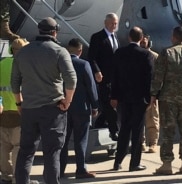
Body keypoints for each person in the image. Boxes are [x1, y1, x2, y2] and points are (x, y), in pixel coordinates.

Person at [11, 17, 77, 184]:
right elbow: (71, 79)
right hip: (53, 109)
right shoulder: (59, 51)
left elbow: (14, 82)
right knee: (52, 152)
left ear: (39, 31)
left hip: (29, 109)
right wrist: (67, 101)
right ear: (55, 32)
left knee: (26, 151)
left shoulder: (23, 52)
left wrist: (19, 103)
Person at [150, 26, 182, 175]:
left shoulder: (166, 53)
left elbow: (158, 77)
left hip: (168, 99)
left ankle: (167, 165)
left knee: (168, 131)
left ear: (173, 37)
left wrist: (153, 95)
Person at [111, 26, 153, 172]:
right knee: (137, 132)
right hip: (139, 99)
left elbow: (114, 76)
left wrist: (114, 96)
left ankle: (117, 162)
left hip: (123, 98)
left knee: (124, 129)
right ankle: (134, 163)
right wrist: (149, 99)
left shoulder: (119, 53)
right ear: (141, 39)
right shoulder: (146, 55)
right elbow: (149, 78)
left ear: (129, 37)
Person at [60, 38, 99, 179]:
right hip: (81, 108)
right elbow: (91, 86)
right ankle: (81, 169)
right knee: (81, 139)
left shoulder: (60, 63)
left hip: (63, 107)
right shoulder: (84, 64)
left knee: (62, 140)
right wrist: (95, 105)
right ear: (80, 51)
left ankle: (59, 170)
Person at [0, 38, 33, 184]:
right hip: (20, 111)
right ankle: (17, 177)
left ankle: (5, 175)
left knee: (4, 146)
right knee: (19, 147)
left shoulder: (1, 64)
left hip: (3, 111)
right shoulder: (26, 66)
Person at [88, 12, 120, 141]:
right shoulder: (97, 37)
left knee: (111, 103)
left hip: (115, 77)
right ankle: (114, 130)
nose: (114, 25)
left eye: (116, 23)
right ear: (106, 23)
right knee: (106, 102)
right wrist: (96, 71)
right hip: (103, 76)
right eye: (112, 23)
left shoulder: (115, 37)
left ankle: (100, 122)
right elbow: (92, 57)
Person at [140, 34, 160, 153]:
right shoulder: (134, 56)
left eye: (145, 41)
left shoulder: (154, 57)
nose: (143, 42)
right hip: (137, 93)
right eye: (141, 41)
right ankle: (141, 142)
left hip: (151, 93)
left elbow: (158, 76)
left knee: (152, 119)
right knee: (138, 120)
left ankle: (153, 143)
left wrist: (156, 93)